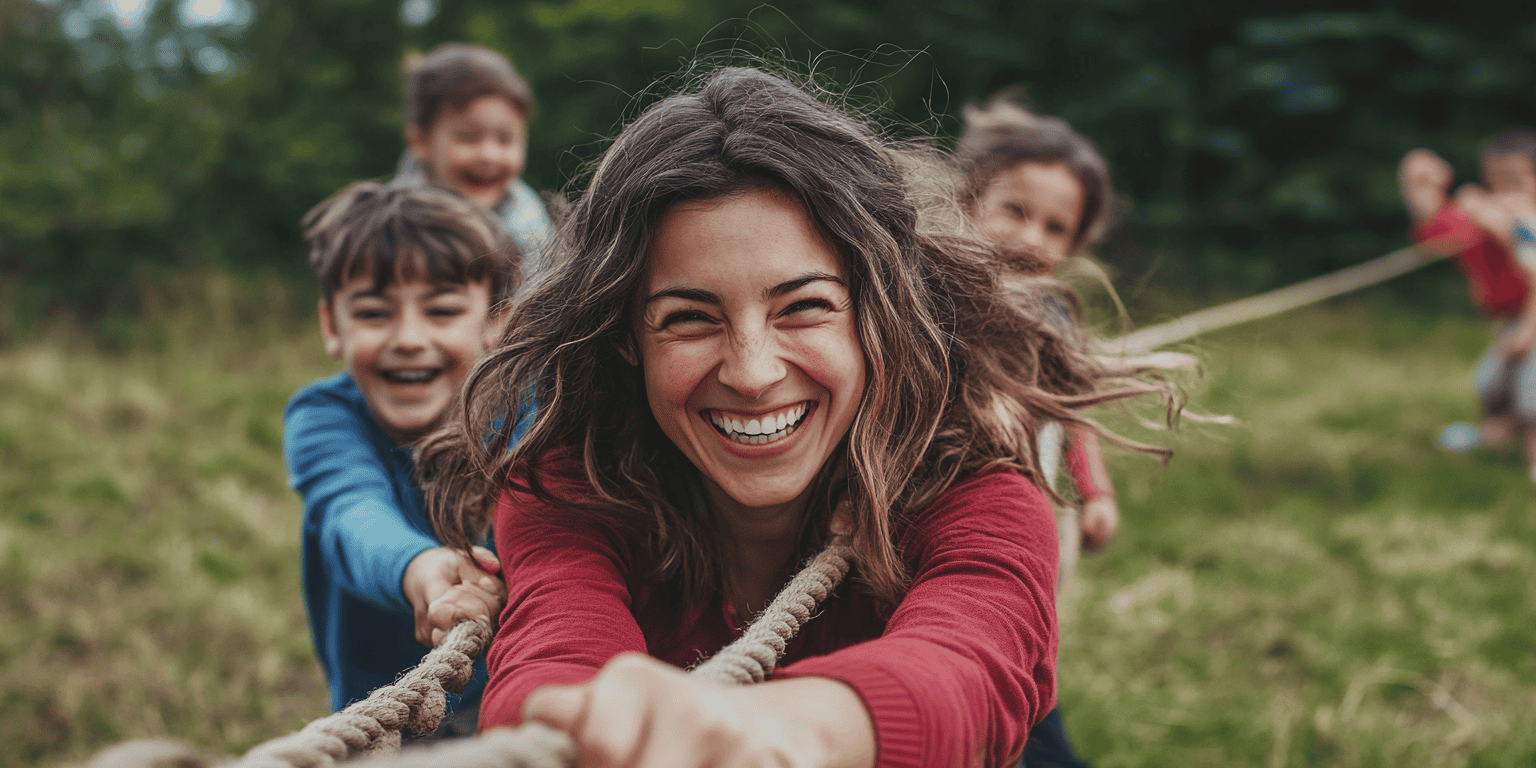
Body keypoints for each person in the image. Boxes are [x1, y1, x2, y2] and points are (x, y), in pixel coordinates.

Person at [419, 67, 1170, 767]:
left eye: (805, 306)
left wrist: (775, 731)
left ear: (879, 313)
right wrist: (582, 726)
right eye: (688, 318)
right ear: (624, 341)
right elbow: (550, 658)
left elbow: (969, 663)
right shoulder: (569, 486)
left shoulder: (978, 488)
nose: (752, 373)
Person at [284, 181, 524, 732]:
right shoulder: (325, 418)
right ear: (331, 325)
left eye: (441, 310)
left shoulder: (528, 412)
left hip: (518, 699)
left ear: (496, 320)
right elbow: (352, 515)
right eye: (374, 313)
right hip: (383, 718)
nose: (409, 338)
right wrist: (424, 571)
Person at [955, 90, 1123, 768]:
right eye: (1015, 211)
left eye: (1056, 228)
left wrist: (1097, 490)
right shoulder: (937, 298)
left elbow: (1076, 412)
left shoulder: (1059, 315)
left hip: (1040, 526)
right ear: (971, 202)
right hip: (956, 528)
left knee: (1029, 659)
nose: (1031, 238)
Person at [1399, 128, 1536, 481]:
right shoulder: (1487, 225)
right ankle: (1497, 437)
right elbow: (1438, 231)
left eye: (1515, 182)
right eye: (1496, 183)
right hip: (1512, 322)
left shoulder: (1522, 224)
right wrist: (1420, 187)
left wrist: (1510, 229)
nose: (1504, 193)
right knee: (1492, 386)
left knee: (1532, 396)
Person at [394, 42, 557, 286]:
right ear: (421, 142)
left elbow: (550, 296)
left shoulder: (528, 222)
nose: (489, 155)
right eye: (468, 137)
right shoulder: (394, 222)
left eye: (505, 139)